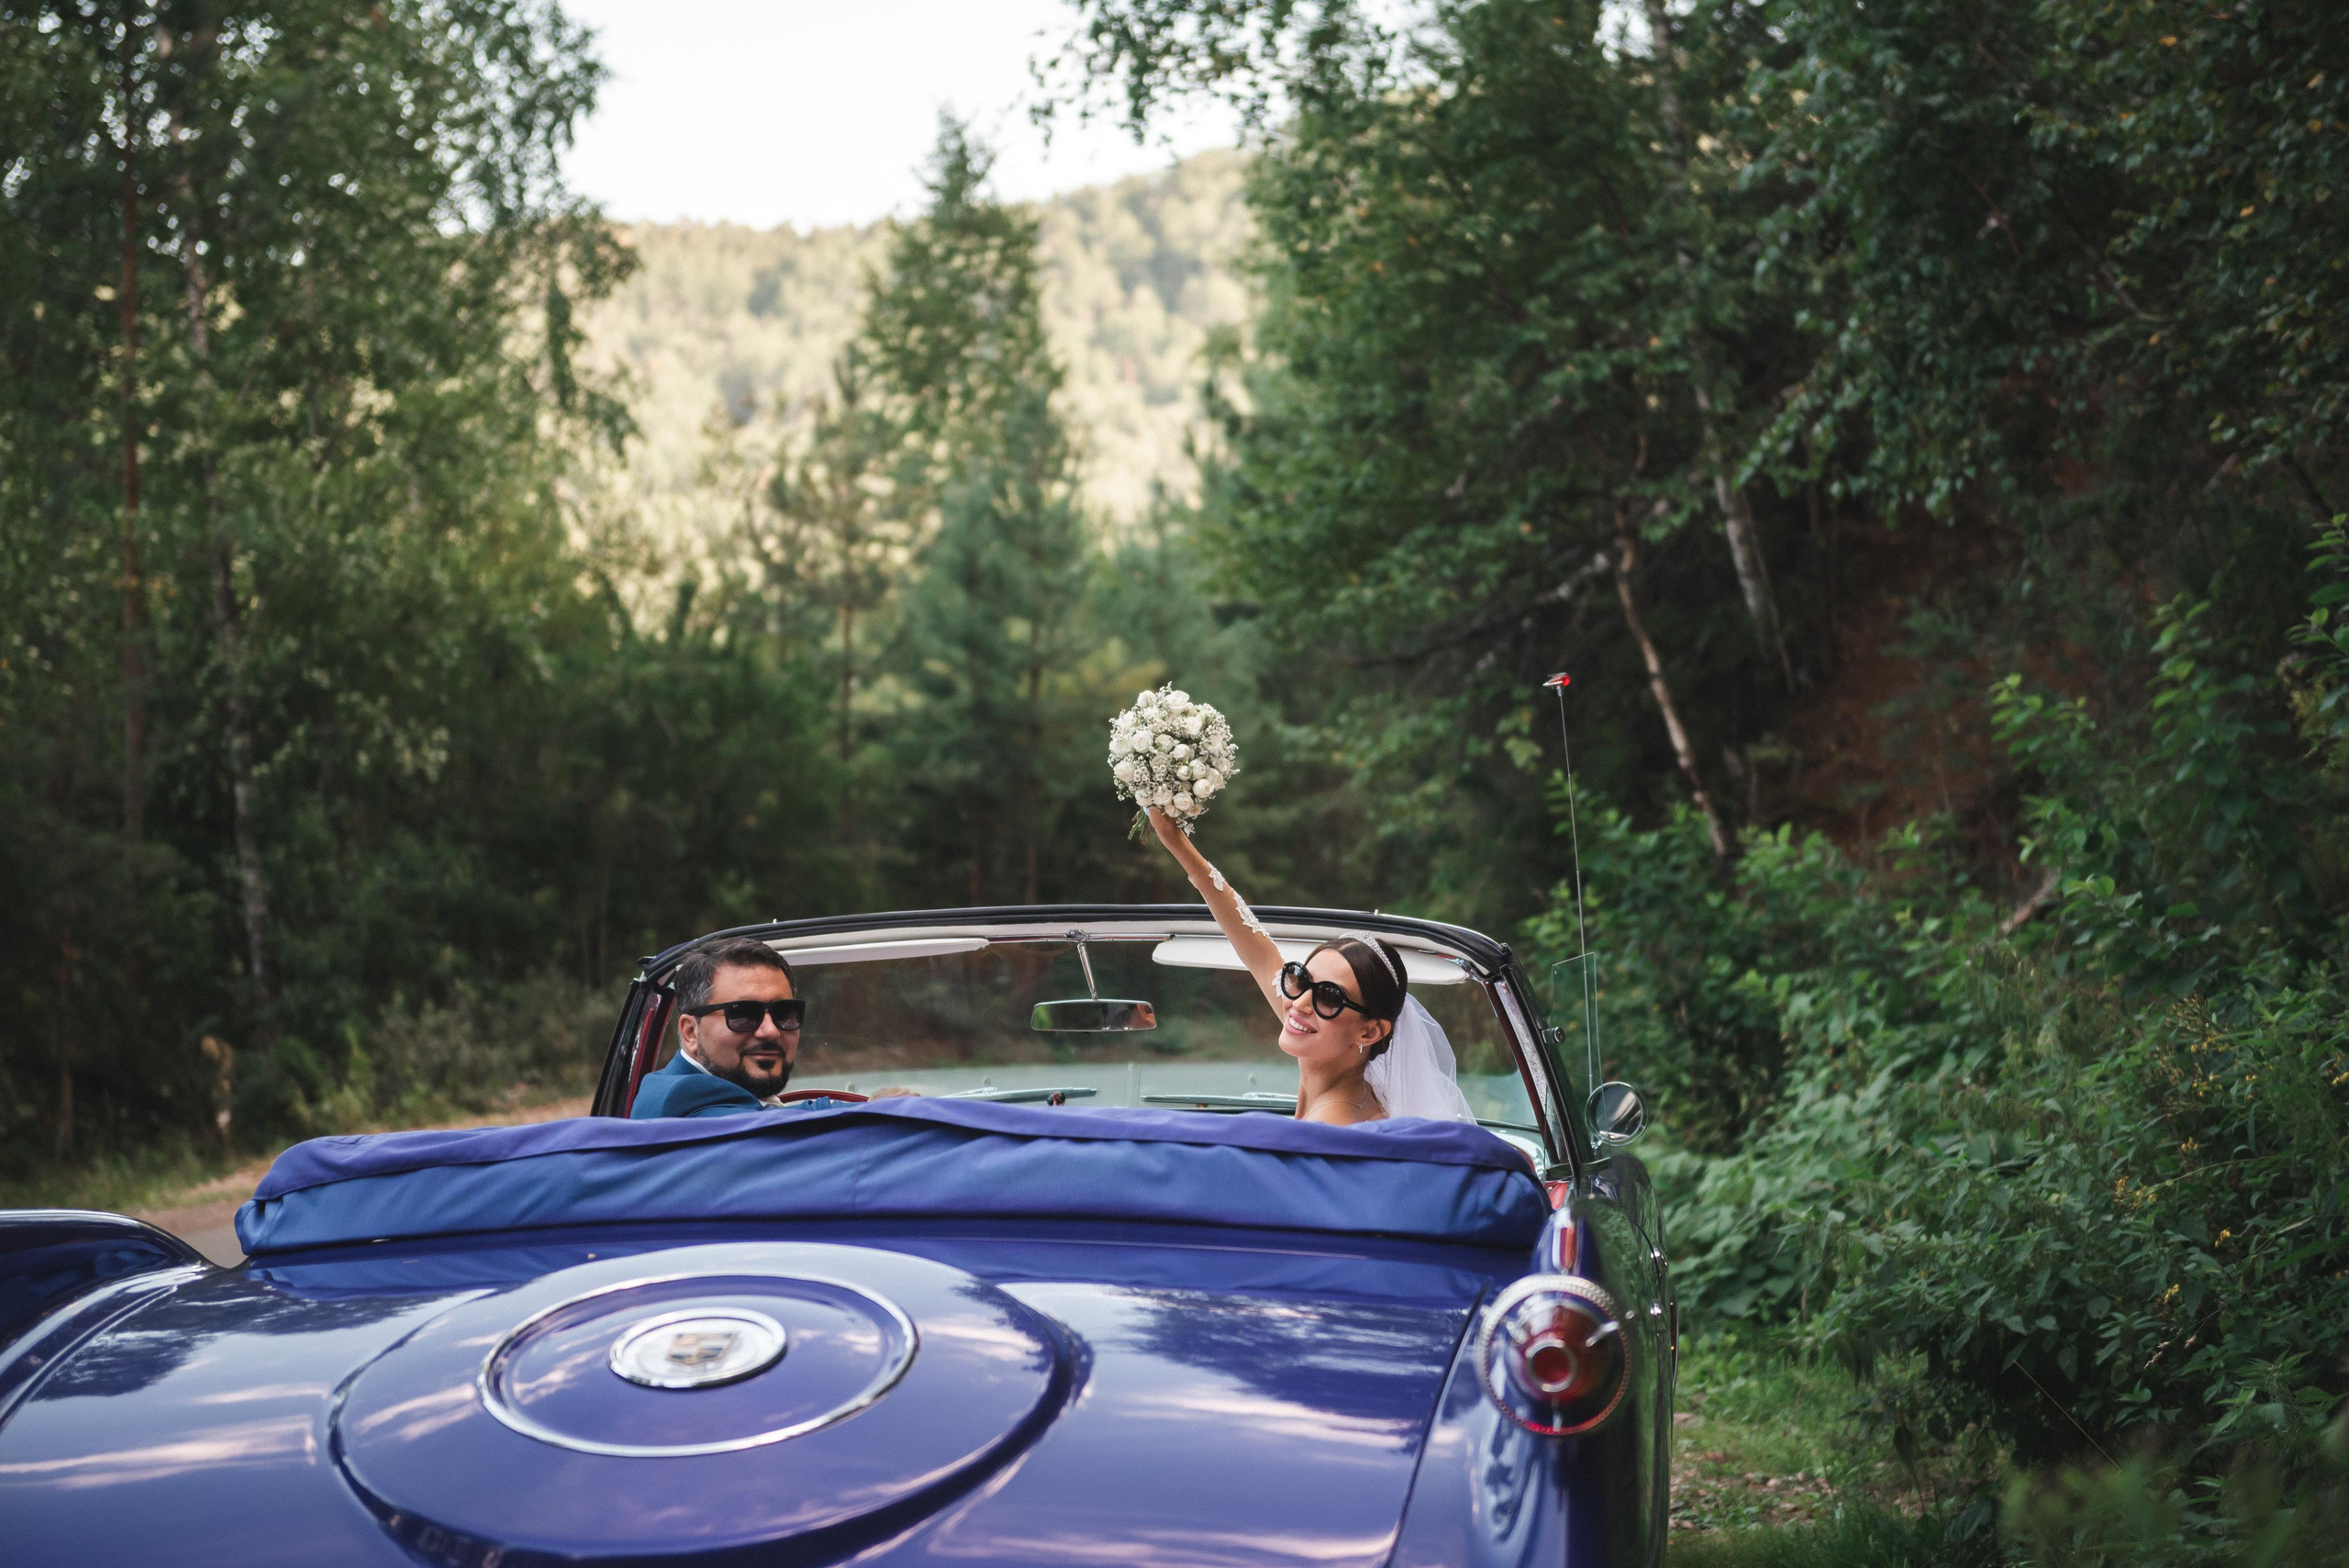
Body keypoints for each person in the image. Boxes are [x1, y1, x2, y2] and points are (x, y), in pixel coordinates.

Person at [1142, 806, 1475, 1125]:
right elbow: (1250, 938)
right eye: (1300, 978)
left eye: (1329, 997)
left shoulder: (1333, 1132)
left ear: (1370, 1031)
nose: (1298, 1003)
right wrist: (1173, 838)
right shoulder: (1336, 1059)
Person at [631, 936, 912, 1118]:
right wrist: (870, 1111)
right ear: (690, 1032)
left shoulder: (688, 1088)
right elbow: (767, 1129)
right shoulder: (684, 1101)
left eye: (783, 1012)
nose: (770, 1031)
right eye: (742, 1014)